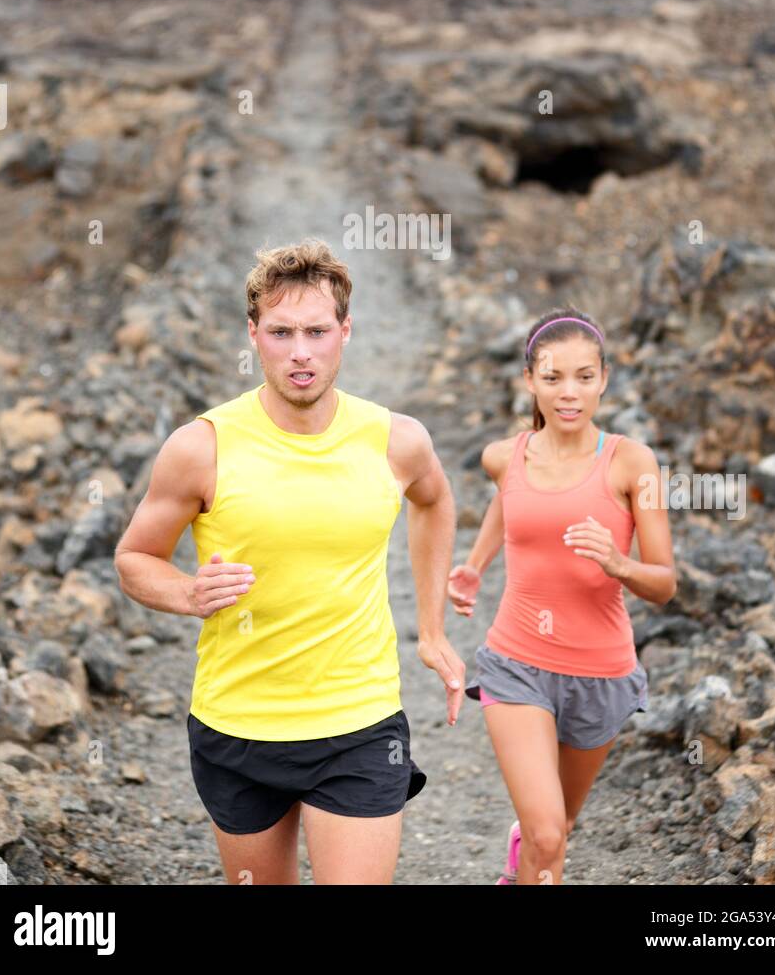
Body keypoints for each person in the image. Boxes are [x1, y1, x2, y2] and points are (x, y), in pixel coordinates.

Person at [115, 238, 464, 885]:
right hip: (237, 725)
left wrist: (434, 628)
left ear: (345, 330)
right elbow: (136, 557)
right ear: (253, 335)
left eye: (316, 330)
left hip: (359, 722)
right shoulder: (201, 448)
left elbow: (436, 502)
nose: (300, 352)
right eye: (280, 332)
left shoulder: (396, 440)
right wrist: (189, 593)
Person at [448, 306, 676, 885]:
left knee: (560, 825)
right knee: (550, 834)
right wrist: (475, 565)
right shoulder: (504, 455)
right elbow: (511, 499)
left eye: (583, 377)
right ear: (530, 381)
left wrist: (618, 562)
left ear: (604, 379)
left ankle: (525, 853)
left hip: (602, 674)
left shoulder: (631, 462)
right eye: (552, 378)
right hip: (517, 662)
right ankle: (533, 848)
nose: (568, 392)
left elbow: (666, 584)